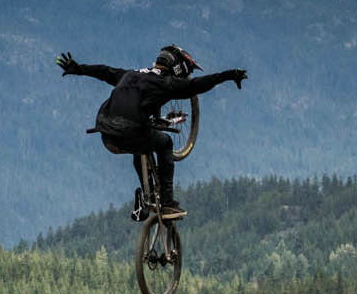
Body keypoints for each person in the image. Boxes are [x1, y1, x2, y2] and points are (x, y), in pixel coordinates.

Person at [56, 44, 247, 219]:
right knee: (165, 143)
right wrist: (229, 75)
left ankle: (146, 199)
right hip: (131, 132)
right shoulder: (166, 83)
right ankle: (167, 203)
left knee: (141, 146)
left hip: (107, 134)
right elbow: (198, 84)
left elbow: (105, 71)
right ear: (177, 68)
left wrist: (78, 68)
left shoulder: (130, 74)